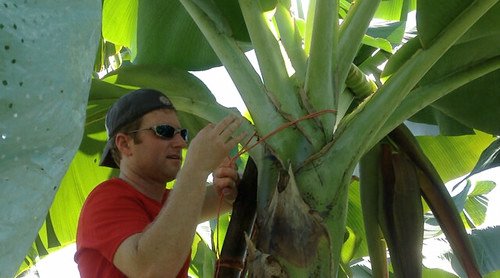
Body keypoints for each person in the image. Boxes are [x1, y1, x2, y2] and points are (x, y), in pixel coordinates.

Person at [74, 88, 245, 278]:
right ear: (125, 144)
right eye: (164, 131)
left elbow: (224, 197)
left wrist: (232, 184)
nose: (180, 142)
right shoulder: (105, 199)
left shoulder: (169, 202)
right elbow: (150, 270)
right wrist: (196, 167)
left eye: (183, 134)